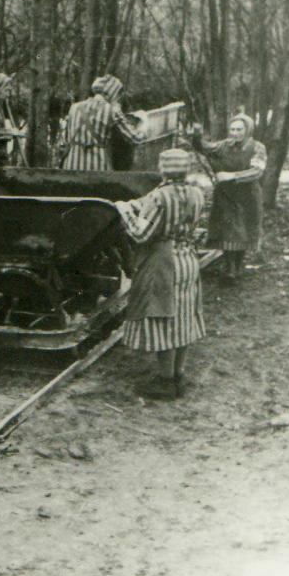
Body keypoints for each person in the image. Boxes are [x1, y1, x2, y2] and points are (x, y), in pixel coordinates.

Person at [113, 149, 206, 399]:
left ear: (163, 169)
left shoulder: (159, 197)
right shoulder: (196, 193)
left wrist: (123, 210)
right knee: (184, 315)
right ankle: (178, 376)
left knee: (164, 316)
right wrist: (137, 204)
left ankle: (165, 382)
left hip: (164, 261)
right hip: (187, 259)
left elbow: (141, 233)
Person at [196, 113, 267, 282]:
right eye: (233, 129)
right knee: (228, 231)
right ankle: (229, 268)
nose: (235, 133)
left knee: (242, 231)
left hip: (247, 195)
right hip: (226, 195)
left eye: (239, 129)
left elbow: (257, 171)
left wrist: (231, 175)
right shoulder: (224, 145)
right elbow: (206, 148)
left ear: (247, 130)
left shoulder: (257, 148)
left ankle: (237, 266)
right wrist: (196, 136)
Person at [56, 74, 141, 171]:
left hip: (71, 168)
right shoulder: (112, 110)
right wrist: (144, 123)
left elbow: (66, 139)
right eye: (117, 95)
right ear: (111, 94)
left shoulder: (74, 107)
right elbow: (135, 138)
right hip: (97, 170)